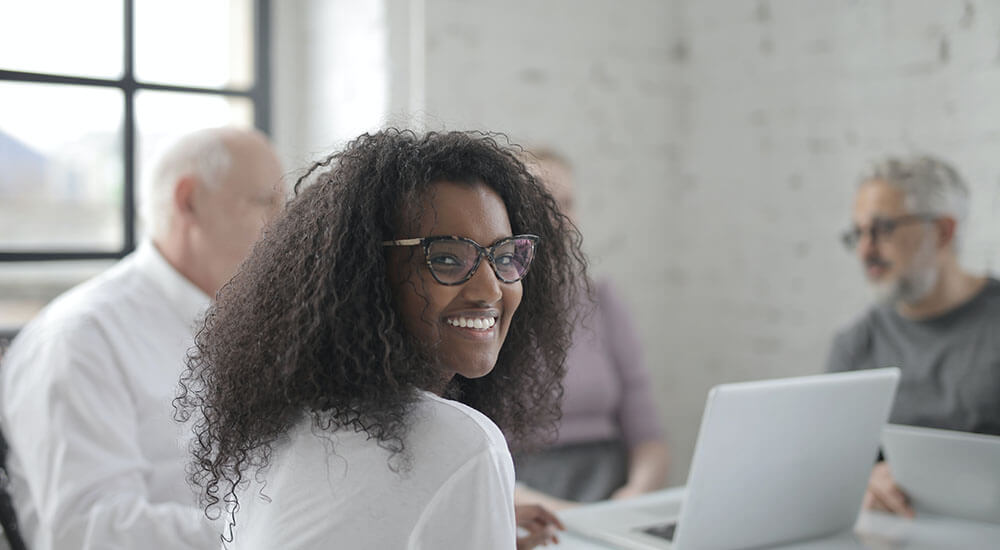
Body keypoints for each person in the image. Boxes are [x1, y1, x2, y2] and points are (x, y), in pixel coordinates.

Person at [174, 130, 587, 549]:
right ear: (366, 273)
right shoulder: (465, 443)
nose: (491, 289)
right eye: (445, 258)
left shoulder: (283, 421)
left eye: (503, 256)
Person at [0, 127, 285, 550]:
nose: (283, 224)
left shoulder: (263, 325)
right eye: (265, 202)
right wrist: (281, 529)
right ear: (188, 199)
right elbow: (90, 533)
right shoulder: (80, 340)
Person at [826, 155, 1000, 517]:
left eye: (882, 229)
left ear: (942, 231)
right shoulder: (856, 344)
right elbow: (836, 466)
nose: (864, 250)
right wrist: (866, 480)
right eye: (858, 233)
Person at [513, 150, 669, 509]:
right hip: (525, 494)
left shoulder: (602, 299)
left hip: (609, 486)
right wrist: (573, 518)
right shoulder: (488, 309)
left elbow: (648, 437)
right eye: (542, 202)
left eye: (566, 203)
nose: (557, 217)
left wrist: (633, 496)